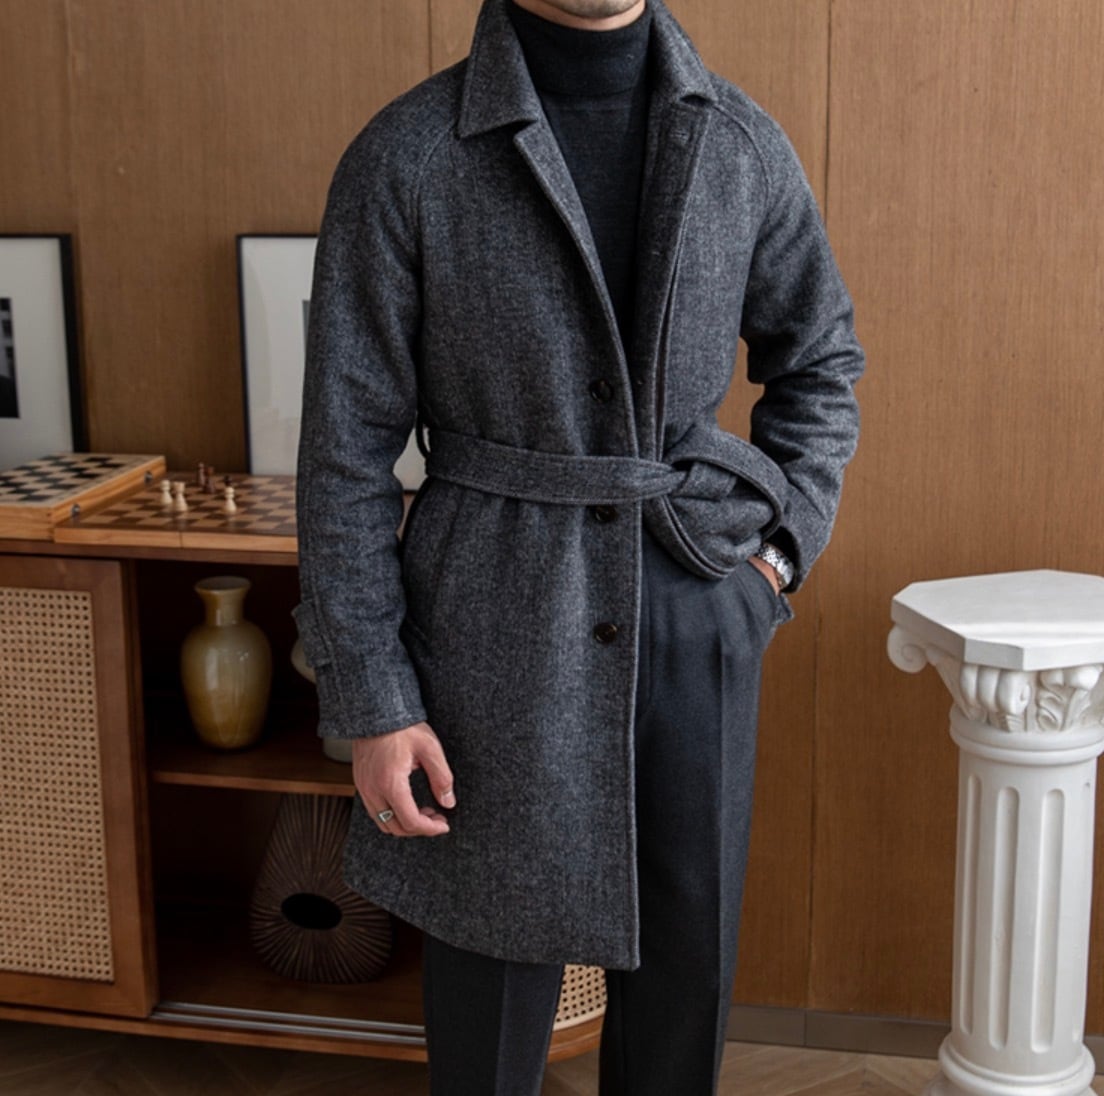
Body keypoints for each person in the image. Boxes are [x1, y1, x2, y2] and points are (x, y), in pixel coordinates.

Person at [294, 0, 863, 1092]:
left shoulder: (741, 143)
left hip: (697, 602)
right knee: (488, 1008)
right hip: (486, 627)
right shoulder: (408, 155)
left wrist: (774, 561)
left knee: (684, 984)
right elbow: (344, 453)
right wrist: (373, 699)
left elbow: (821, 363)